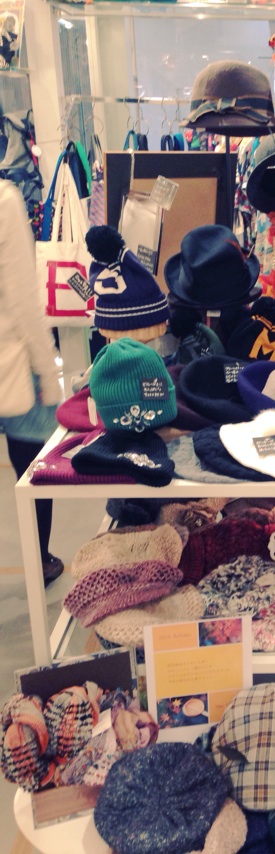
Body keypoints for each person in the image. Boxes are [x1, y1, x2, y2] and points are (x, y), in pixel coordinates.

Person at [0, 178, 63, 585]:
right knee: (35, 465)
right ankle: (40, 560)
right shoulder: (4, 201)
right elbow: (24, 300)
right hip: (10, 362)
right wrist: (48, 371)